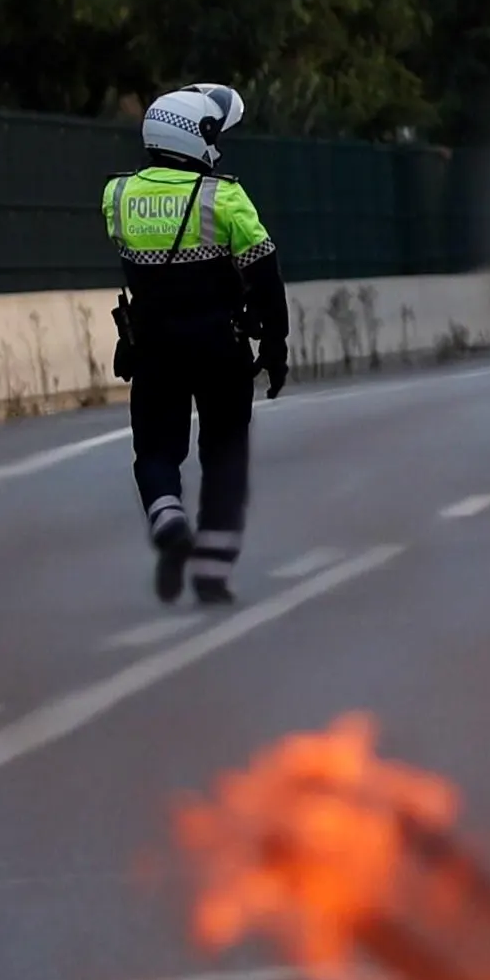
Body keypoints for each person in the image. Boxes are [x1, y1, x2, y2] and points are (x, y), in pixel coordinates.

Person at [107, 82, 284, 604]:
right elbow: (265, 275)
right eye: (213, 134)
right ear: (193, 136)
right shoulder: (224, 197)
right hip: (221, 347)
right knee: (225, 455)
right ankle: (211, 570)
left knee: (156, 449)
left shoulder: (117, 197)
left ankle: (167, 518)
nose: (219, 145)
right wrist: (276, 345)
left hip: (153, 347)